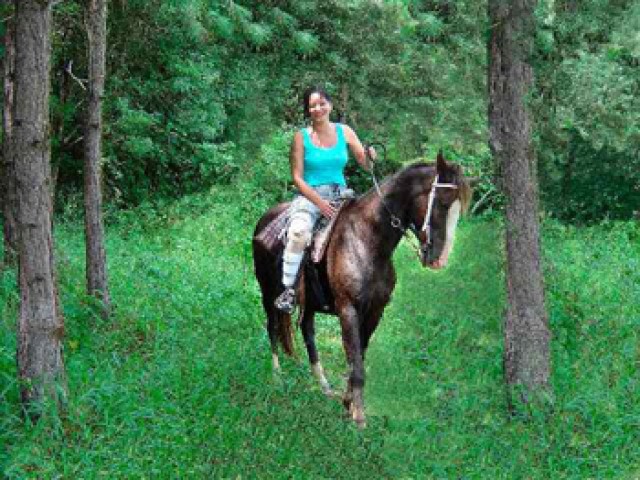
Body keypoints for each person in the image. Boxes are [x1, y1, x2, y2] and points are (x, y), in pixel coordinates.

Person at [275, 86, 375, 313]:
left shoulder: (345, 131)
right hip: (310, 196)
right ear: (308, 110)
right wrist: (319, 203)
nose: (318, 108)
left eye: (322, 103)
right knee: (298, 232)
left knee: (366, 231)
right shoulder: (301, 137)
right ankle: (288, 290)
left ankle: (369, 282)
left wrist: (370, 157)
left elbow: (366, 165)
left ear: (330, 105)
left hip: (342, 195)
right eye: (312, 105)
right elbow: (297, 178)